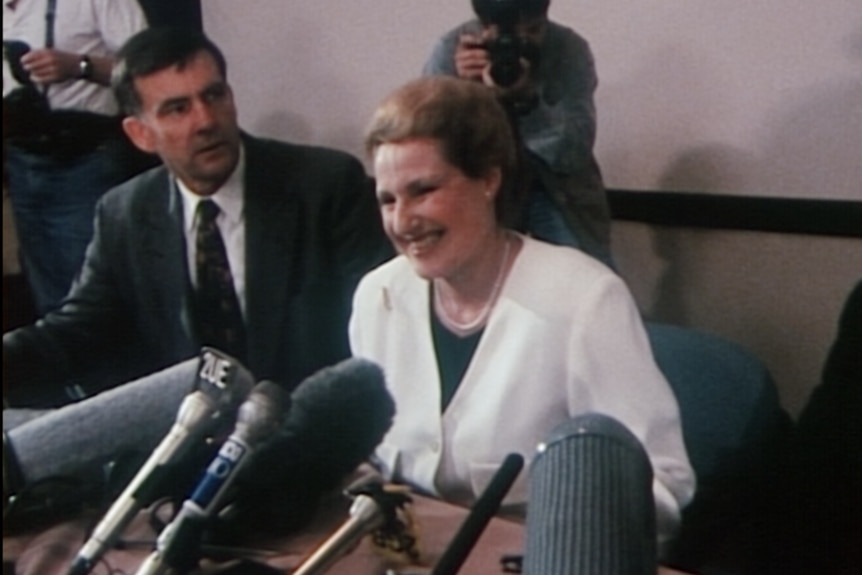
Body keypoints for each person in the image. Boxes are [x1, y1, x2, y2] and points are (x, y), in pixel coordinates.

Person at [350, 76, 694, 562]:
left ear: (488, 179)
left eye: (423, 190)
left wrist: (569, 541)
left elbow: (661, 484)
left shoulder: (585, 300)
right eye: (388, 199)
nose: (403, 222)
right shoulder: (377, 297)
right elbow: (368, 463)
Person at [2, 26, 391, 406]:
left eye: (214, 95)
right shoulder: (125, 213)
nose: (205, 120)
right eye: (177, 109)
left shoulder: (324, 186)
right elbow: (76, 330)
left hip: (313, 430)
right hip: (196, 439)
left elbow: (385, 325)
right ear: (140, 134)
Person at [423, 0, 614, 267]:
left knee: (588, 281)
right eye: (507, 35)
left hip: (559, 196)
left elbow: (573, 152)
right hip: (481, 194)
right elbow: (430, 148)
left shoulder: (568, 48)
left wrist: (528, 100)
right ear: (485, 26)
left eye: (533, 31)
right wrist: (460, 91)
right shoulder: (455, 48)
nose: (521, 43)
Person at [3, 0, 156, 316]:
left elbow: (150, 64)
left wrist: (80, 67)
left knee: (96, 297)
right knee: (49, 301)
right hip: (22, 163)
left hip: (86, 160)